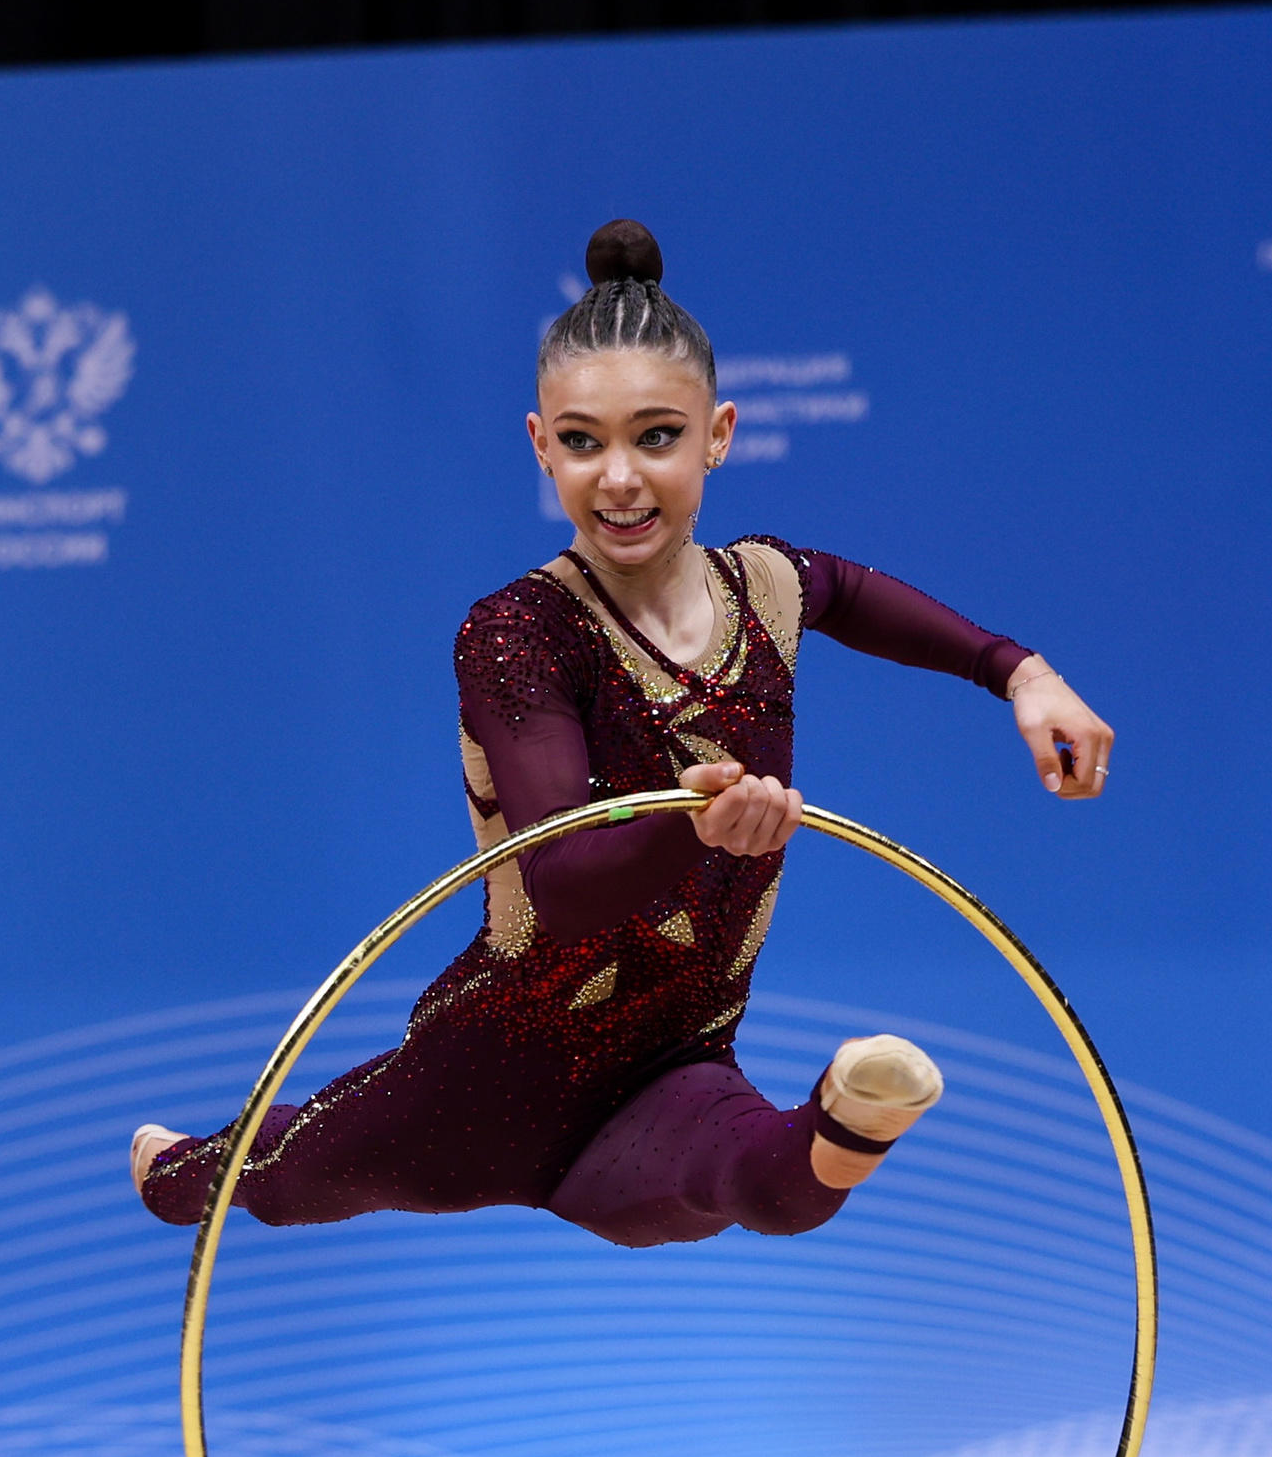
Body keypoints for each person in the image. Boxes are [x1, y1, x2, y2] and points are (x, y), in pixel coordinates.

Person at [133, 219, 1112, 1249]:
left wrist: (1024, 676)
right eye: (582, 441)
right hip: (490, 1076)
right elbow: (560, 879)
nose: (618, 479)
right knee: (284, 1181)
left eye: (656, 436)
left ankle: (858, 1105)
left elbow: (858, 596)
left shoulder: (765, 588)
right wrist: (699, 829)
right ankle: (178, 1167)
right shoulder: (519, 632)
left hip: (673, 1059)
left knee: (769, 1188)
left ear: (718, 434)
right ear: (539, 444)